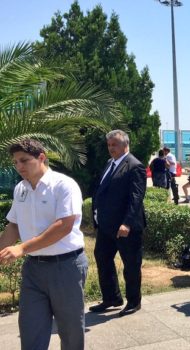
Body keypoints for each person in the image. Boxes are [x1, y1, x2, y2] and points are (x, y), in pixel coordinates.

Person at [0, 139, 87, 349]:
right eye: (15, 162)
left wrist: (21, 248)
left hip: (66, 267)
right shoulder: (20, 188)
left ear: (41, 157)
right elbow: (14, 226)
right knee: (31, 329)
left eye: (24, 161)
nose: (19, 166)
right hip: (34, 270)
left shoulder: (64, 185)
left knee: (70, 331)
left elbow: (64, 226)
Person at [89, 130, 147, 317]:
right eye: (109, 145)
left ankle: (133, 301)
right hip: (106, 226)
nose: (111, 148)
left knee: (131, 264)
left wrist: (127, 223)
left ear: (125, 145)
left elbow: (136, 197)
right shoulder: (110, 164)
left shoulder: (135, 166)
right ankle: (112, 297)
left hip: (125, 227)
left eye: (114, 144)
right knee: (102, 257)